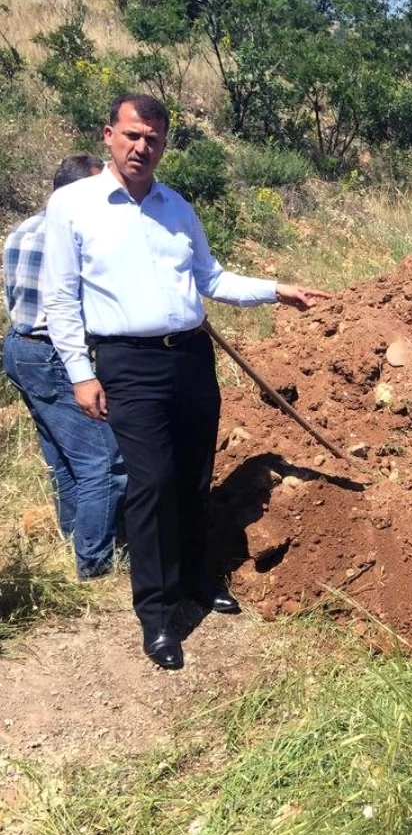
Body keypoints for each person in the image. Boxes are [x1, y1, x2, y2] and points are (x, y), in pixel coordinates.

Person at [43, 93, 330, 671]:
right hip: (128, 363)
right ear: (109, 135)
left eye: (152, 138)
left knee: (194, 478)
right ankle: (157, 612)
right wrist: (80, 374)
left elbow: (213, 278)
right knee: (151, 484)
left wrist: (277, 289)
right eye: (131, 135)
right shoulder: (74, 206)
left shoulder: (177, 207)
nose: (140, 147)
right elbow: (59, 297)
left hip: (191, 359)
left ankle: (199, 578)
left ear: (163, 145)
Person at [3, 155, 127, 579]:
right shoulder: (69, 236)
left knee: (63, 459)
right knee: (105, 465)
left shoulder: (20, 230)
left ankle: (74, 536)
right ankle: (94, 564)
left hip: (19, 347)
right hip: (54, 354)